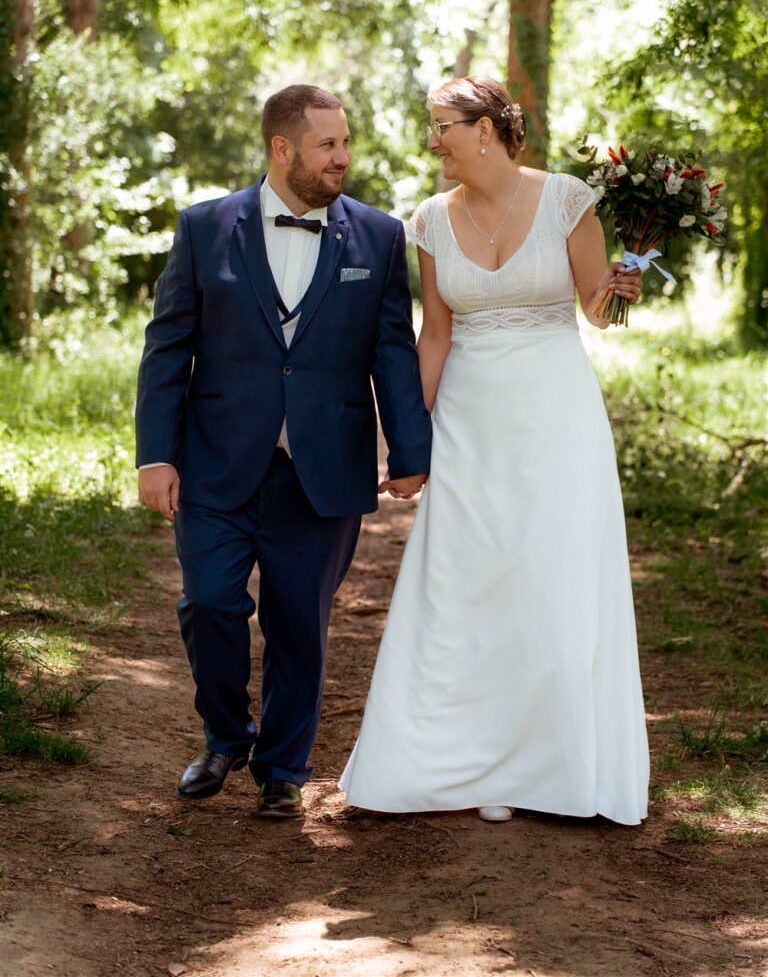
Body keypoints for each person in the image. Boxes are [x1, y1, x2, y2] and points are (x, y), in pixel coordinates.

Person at [340, 76, 649, 826]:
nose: (431, 140)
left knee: (554, 577)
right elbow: (436, 335)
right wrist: (406, 438)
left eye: (440, 125)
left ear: (485, 128)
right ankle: (465, 762)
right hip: (470, 426)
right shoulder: (429, 222)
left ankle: (556, 766)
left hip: (556, 420)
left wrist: (623, 286)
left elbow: (595, 311)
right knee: (463, 583)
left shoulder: (568, 199)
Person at [135, 84, 431, 819]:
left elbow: (393, 352)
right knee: (210, 603)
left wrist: (410, 448)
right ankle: (224, 735)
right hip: (215, 460)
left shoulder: (378, 236)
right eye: (328, 144)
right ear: (282, 148)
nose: (343, 157)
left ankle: (283, 770)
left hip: (322, 468)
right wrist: (154, 455)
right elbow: (168, 347)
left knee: (301, 621)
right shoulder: (205, 228)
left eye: (346, 142)